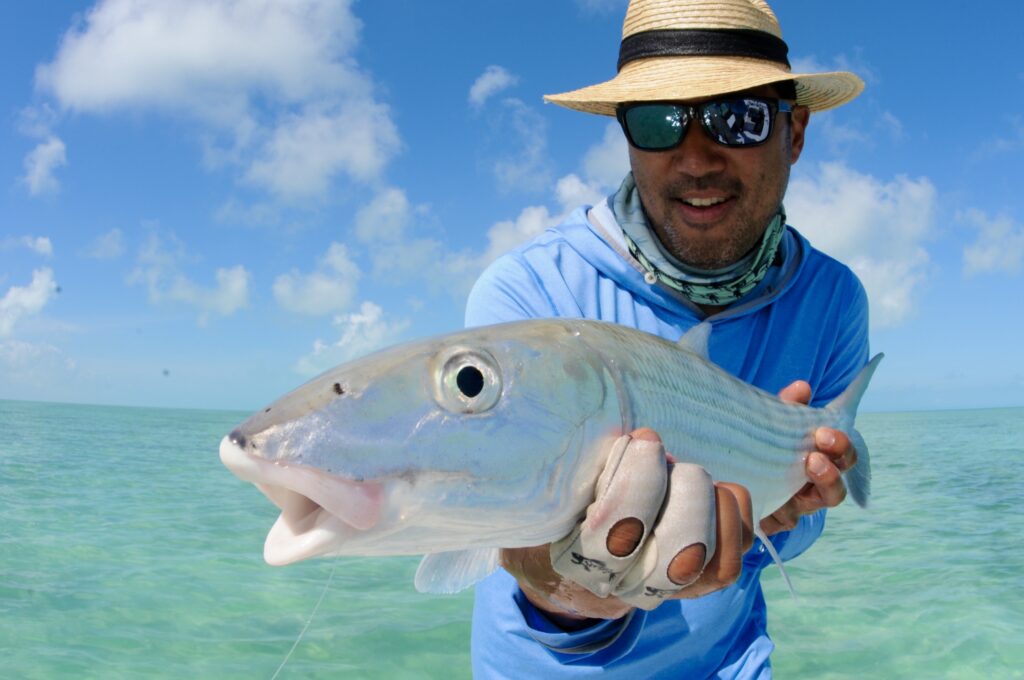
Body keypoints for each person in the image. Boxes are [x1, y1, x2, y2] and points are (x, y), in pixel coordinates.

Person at [464, 0, 869, 677]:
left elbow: (799, 534)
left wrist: (786, 514)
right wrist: (571, 586)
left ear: (794, 131)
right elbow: (506, 537)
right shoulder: (526, 297)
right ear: (627, 136)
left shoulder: (832, 299)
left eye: (737, 118)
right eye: (659, 122)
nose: (696, 158)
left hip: (732, 663)